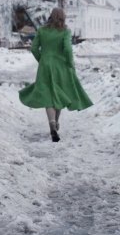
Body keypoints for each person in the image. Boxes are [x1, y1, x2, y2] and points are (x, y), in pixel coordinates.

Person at [18, 8, 93, 142]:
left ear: (51, 16)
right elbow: (68, 49)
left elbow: (34, 48)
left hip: (45, 65)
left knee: (48, 95)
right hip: (61, 66)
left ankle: (52, 123)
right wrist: (70, 63)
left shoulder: (42, 30)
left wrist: (42, 59)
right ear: (63, 17)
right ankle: (56, 122)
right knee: (59, 94)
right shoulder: (65, 31)